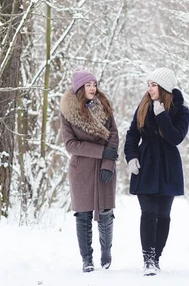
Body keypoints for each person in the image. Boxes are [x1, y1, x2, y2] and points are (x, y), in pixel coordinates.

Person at [124, 67, 189, 276]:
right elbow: (132, 134)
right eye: (148, 85)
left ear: (164, 88)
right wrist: (132, 157)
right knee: (148, 213)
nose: (149, 89)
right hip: (146, 165)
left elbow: (175, 138)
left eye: (153, 85)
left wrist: (162, 115)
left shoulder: (181, 111)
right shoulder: (143, 106)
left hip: (168, 167)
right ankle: (148, 259)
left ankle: (157, 257)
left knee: (163, 215)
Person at [60, 70, 119, 272]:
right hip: (81, 170)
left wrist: (107, 164)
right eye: (88, 85)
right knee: (83, 215)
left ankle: (106, 253)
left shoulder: (105, 107)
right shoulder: (68, 112)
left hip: (105, 168)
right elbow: (70, 145)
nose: (93, 88)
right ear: (79, 88)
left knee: (105, 213)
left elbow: (113, 136)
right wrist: (102, 151)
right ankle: (87, 259)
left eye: (94, 84)